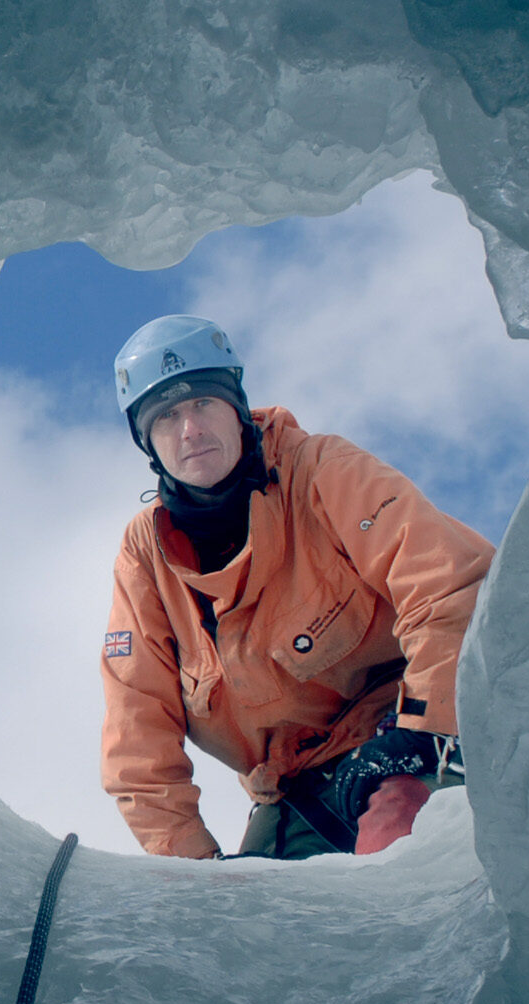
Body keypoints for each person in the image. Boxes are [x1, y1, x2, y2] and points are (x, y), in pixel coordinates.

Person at [99, 314, 495, 859]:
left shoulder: (321, 470)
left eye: (202, 404)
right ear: (146, 441)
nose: (189, 429)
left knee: (399, 854)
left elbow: (447, 585)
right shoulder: (145, 559)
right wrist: (194, 871)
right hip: (296, 789)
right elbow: (137, 730)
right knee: (261, 928)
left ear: (236, 409)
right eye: (166, 415)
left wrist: (422, 733)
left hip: (407, 732)